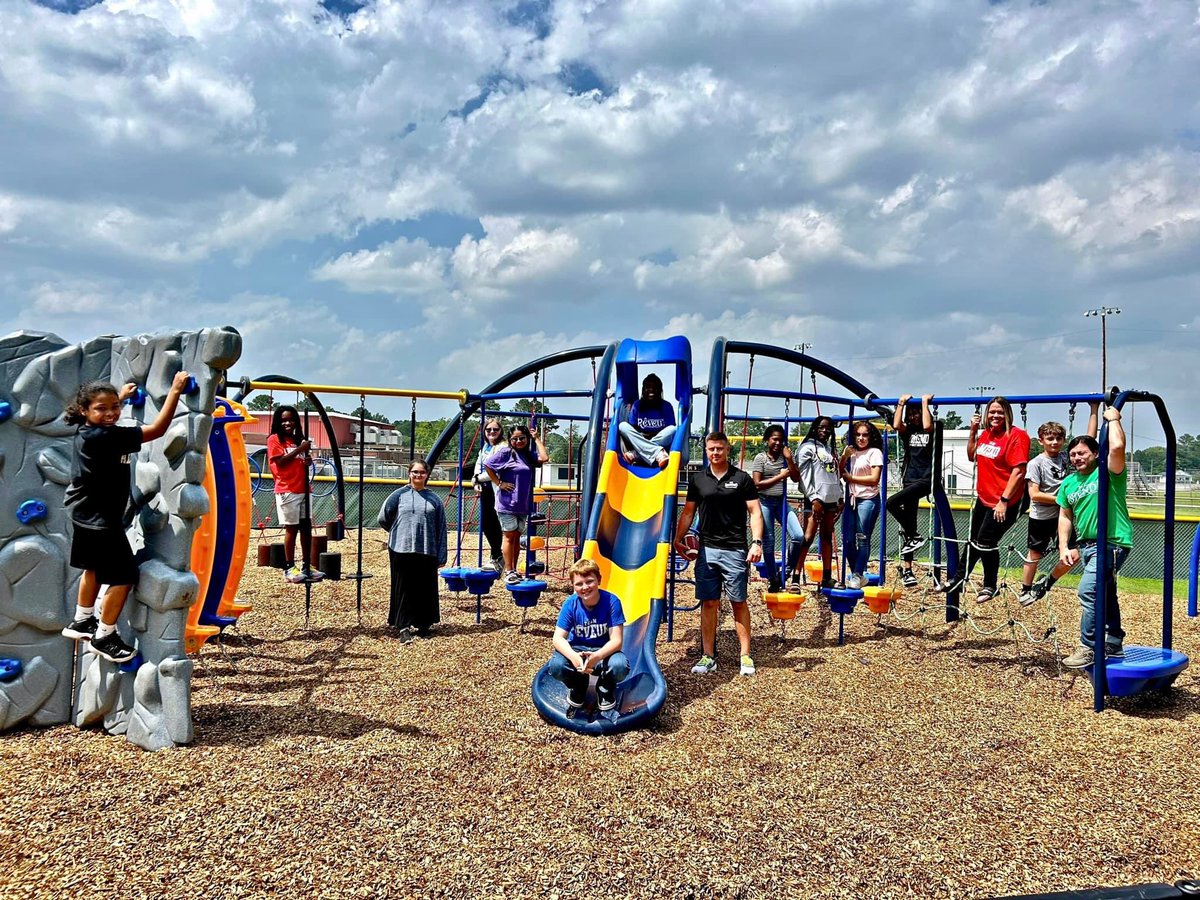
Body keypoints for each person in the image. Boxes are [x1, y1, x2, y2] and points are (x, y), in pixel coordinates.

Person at [60, 371, 193, 664]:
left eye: (114, 408)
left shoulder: (86, 428)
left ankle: (82, 620)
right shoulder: (108, 437)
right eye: (101, 409)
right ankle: (104, 636)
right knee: (124, 576)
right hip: (101, 519)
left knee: (92, 567)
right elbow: (157, 430)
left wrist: (117, 398)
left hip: (83, 512)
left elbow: (103, 411)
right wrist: (175, 390)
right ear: (85, 410)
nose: (110, 413)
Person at [673, 432, 764, 677]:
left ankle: (745, 655)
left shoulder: (742, 479)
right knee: (709, 601)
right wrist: (678, 538)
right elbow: (688, 513)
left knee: (738, 601)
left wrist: (756, 542)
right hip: (707, 549)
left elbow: (755, 512)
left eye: (720, 449)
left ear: (727, 450)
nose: (715, 453)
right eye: (711, 449)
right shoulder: (698, 480)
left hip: (735, 548)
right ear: (706, 451)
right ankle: (708, 655)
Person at [1057, 407, 1131, 668]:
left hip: (1110, 542)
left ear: (1096, 454)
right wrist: (1064, 545)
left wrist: (1114, 420)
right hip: (1087, 545)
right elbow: (1065, 515)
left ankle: (1088, 647)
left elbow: (1118, 447)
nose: (1076, 458)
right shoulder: (1069, 483)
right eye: (1073, 454)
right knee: (1106, 592)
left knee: (1088, 592)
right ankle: (1113, 641)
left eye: (1082, 453)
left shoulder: (1108, 472)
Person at [942, 396, 1030, 602]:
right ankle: (959, 578)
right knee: (973, 541)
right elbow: (972, 455)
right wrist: (973, 431)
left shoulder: (1017, 435)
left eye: (1000, 412)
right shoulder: (986, 434)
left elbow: (1019, 471)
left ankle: (989, 585)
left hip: (1008, 499)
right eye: (992, 412)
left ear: (1007, 414)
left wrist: (1004, 500)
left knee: (986, 541)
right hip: (985, 497)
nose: (995, 416)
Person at [1019, 402, 1099, 606]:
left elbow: (1089, 441)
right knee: (1034, 553)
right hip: (1043, 515)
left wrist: (1093, 410)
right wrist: (1062, 500)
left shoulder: (1067, 456)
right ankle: (1025, 589)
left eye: (1058, 438)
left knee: (1074, 554)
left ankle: (1048, 582)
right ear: (1041, 441)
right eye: (1050, 438)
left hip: (1065, 515)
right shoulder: (1036, 463)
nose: (1055, 442)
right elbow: (1035, 494)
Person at [378, 458, 448, 642]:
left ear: (427, 475)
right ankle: (403, 626)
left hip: (426, 548)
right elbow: (383, 517)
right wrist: (398, 531)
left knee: (425, 586)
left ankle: (424, 623)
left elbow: (441, 527)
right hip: (401, 548)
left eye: (422, 472)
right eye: (415, 472)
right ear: (409, 474)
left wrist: (442, 553)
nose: (418, 475)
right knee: (404, 587)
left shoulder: (434, 499)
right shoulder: (398, 495)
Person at [547, 559, 628, 715]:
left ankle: (605, 687)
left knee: (620, 666)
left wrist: (597, 656)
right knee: (556, 666)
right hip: (578, 650)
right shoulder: (570, 604)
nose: (584, 587)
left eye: (589, 581)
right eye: (579, 584)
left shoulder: (612, 602)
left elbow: (617, 641)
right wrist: (574, 658)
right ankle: (579, 684)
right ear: (573, 585)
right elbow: (557, 638)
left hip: (603, 652)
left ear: (599, 580)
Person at [483, 421, 549, 585]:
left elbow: (545, 458)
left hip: (522, 504)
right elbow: (488, 464)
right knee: (509, 535)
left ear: (527, 438)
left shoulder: (527, 455)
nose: (518, 442)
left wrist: (536, 438)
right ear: (509, 440)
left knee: (517, 536)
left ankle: (514, 571)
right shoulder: (506, 453)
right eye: (515, 439)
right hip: (506, 503)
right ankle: (510, 571)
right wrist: (499, 483)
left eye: (522, 438)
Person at [267, 405, 324, 584]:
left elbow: (297, 461)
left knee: (306, 526)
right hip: (287, 489)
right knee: (291, 528)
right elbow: (281, 463)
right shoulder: (274, 440)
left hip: (303, 488)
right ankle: (289, 567)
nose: (288, 423)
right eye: (284, 420)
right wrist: (300, 449)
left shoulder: (297, 439)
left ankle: (307, 564)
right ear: (278, 422)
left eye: (291, 419)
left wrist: (305, 460)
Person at [886, 394, 935, 589]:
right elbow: (897, 425)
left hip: (926, 479)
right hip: (910, 480)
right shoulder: (908, 432)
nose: (914, 417)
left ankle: (915, 536)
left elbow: (927, 426)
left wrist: (924, 403)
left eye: (917, 414)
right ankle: (907, 570)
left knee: (891, 503)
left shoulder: (933, 427)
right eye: (911, 414)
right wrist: (901, 404)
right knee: (909, 525)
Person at [791, 416, 842, 591]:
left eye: (828, 428)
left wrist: (840, 496)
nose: (825, 431)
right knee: (808, 537)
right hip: (816, 499)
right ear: (814, 428)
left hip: (830, 499)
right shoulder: (807, 448)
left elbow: (834, 475)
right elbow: (804, 477)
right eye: (822, 427)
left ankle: (827, 577)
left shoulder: (829, 449)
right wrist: (813, 498)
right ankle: (795, 577)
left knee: (827, 536)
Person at [750, 424, 802, 593]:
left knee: (798, 536)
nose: (778, 443)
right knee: (769, 542)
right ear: (767, 440)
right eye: (775, 439)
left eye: (781, 440)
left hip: (781, 501)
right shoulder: (760, 458)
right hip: (764, 502)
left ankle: (784, 572)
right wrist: (780, 476)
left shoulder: (785, 457)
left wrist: (789, 460)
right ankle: (773, 578)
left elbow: (795, 478)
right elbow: (757, 484)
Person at [840, 421, 884, 589]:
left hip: (868, 499)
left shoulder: (874, 452)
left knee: (862, 538)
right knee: (848, 540)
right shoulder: (851, 453)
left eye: (865, 435)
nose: (861, 438)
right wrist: (844, 457)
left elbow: (874, 479)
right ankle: (857, 574)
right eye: (858, 434)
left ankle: (857, 574)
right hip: (852, 499)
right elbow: (839, 472)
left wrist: (852, 479)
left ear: (870, 436)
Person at [617, 373, 676, 469]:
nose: (651, 390)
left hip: (659, 439)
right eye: (648, 387)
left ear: (660, 390)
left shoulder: (666, 406)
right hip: (641, 438)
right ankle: (658, 452)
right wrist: (643, 439)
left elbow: (669, 432)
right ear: (643, 390)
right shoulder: (637, 405)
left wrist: (644, 444)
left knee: (673, 430)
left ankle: (637, 454)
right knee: (623, 426)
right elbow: (633, 429)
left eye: (655, 387)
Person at [471, 417, 506, 573]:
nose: (492, 432)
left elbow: (496, 471)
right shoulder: (485, 447)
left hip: (498, 489)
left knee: (497, 524)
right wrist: (475, 480)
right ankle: (496, 554)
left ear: (500, 432)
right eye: (489, 429)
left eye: (495, 429)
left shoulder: (502, 447)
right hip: (486, 488)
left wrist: (477, 478)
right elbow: (478, 466)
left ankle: (498, 555)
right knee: (486, 524)